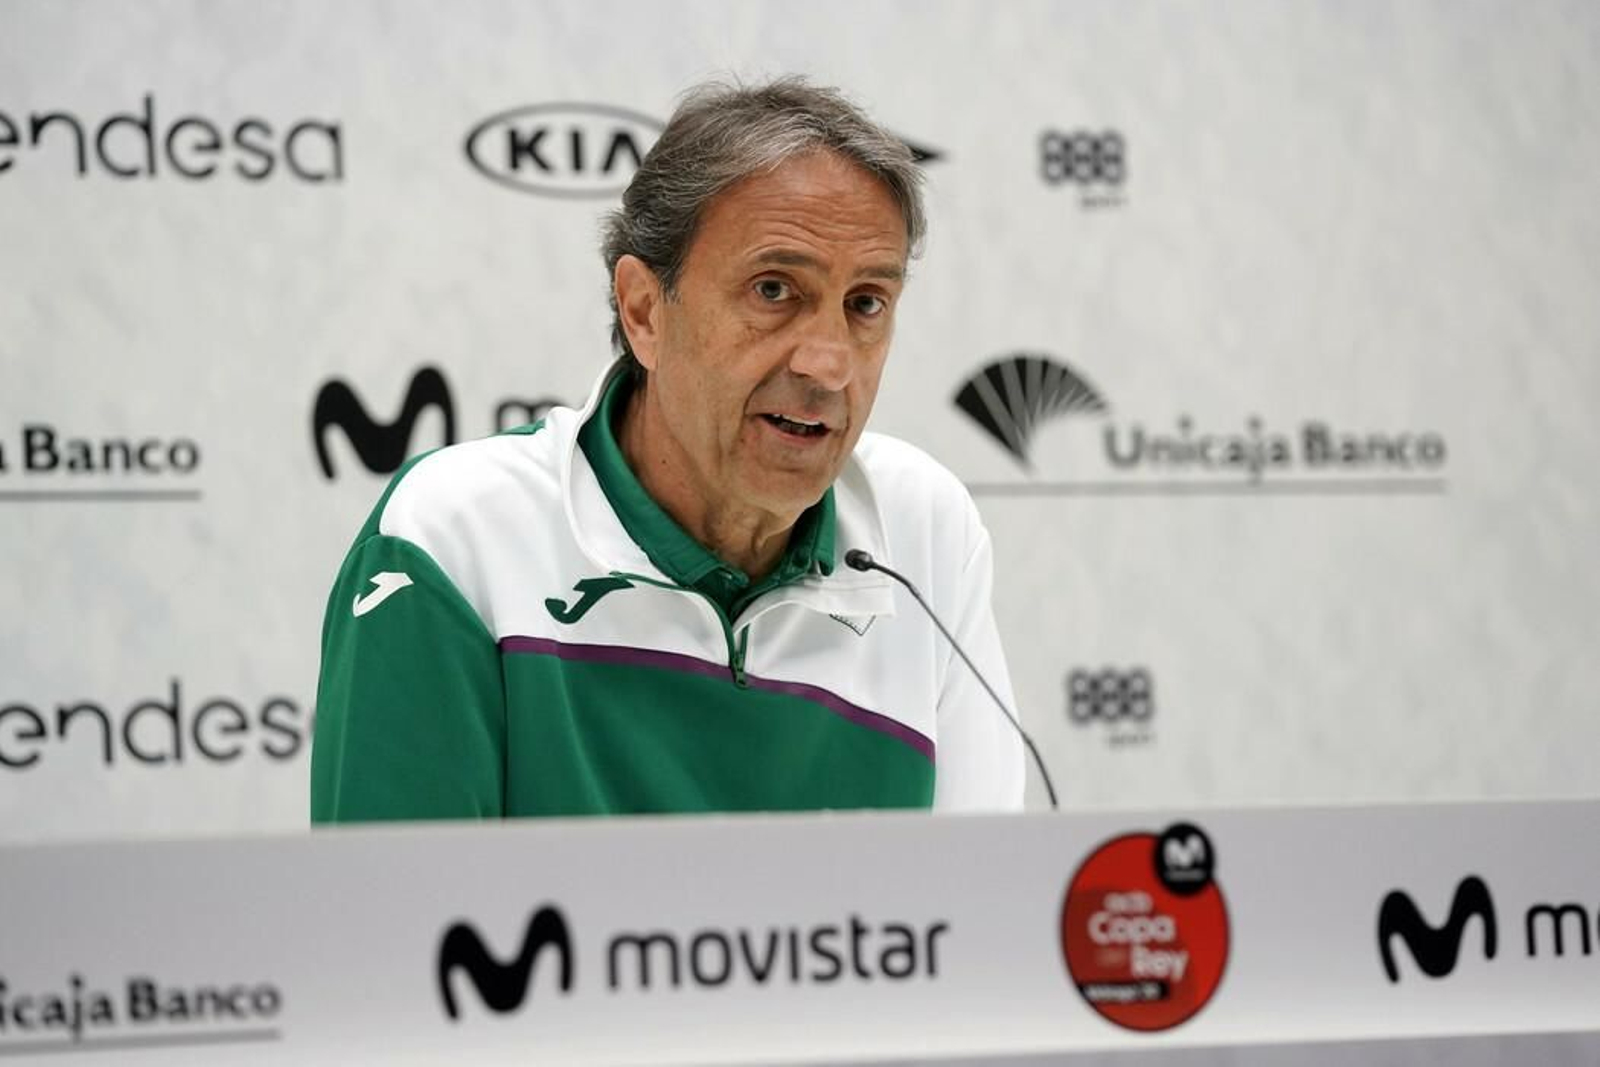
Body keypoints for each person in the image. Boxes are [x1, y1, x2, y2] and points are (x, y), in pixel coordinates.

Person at [310, 77, 1024, 821]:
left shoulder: (924, 531)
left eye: (866, 303)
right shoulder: (453, 539)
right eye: (774, 290)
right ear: (645, 311)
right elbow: (394, 896)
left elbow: (980, 882)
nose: (829, 364)